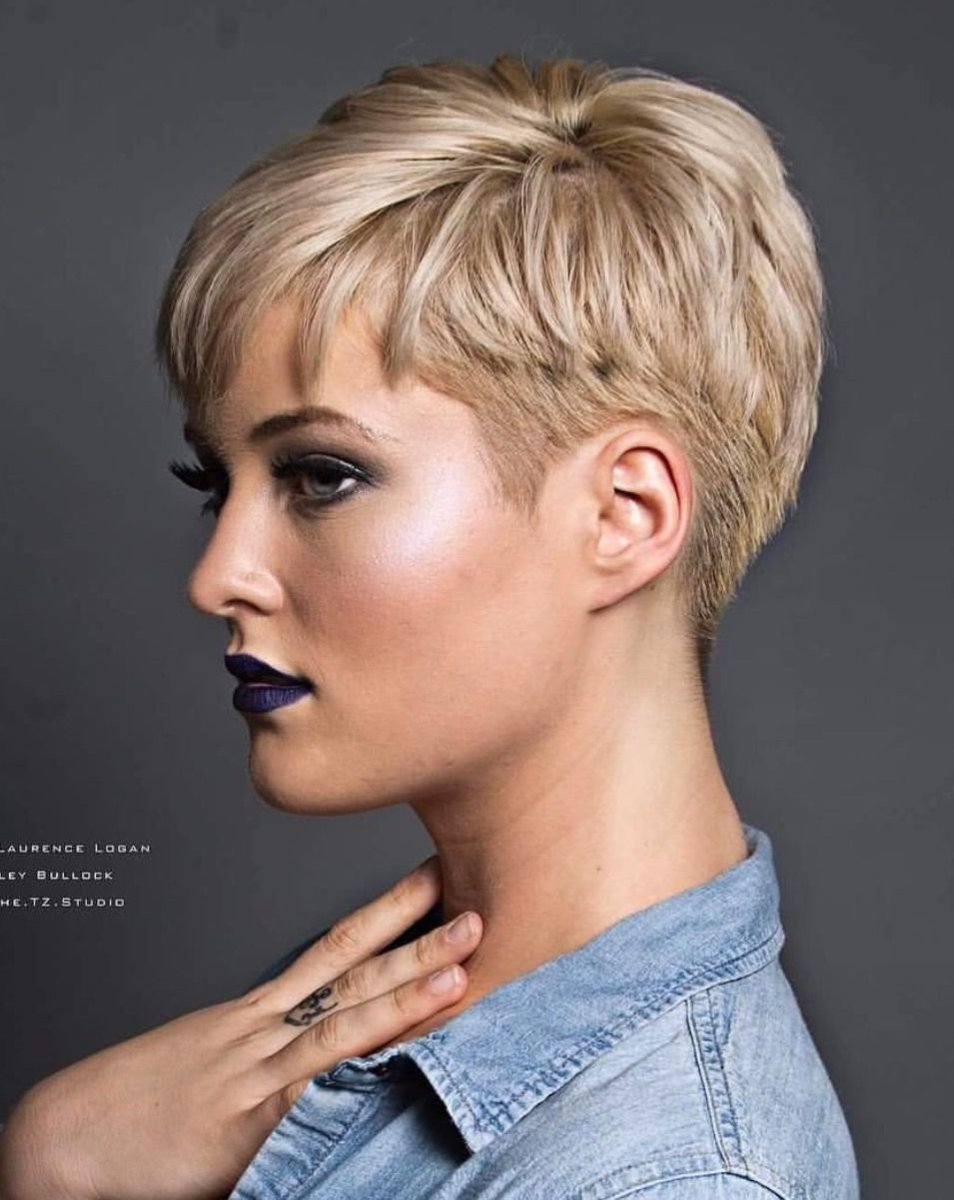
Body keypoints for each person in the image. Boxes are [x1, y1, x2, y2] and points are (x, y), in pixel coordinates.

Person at [0, 52, 860, 1200]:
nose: (216, 577)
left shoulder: (673, 1176)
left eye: (321, 476)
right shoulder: (383, 1019)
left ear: (624, 514)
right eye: (218, 486)